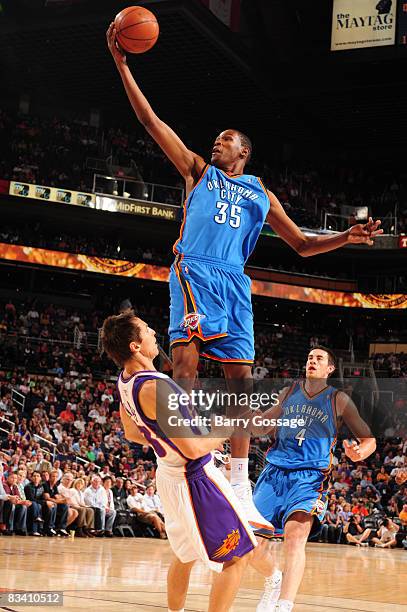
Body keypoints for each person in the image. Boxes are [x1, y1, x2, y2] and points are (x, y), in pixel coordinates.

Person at [106, 23, 383, 527]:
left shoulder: (260, 193)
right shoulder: (197, 172)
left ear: (244, 153)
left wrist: (345, 237)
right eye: (215, 139)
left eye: (225, 141)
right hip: (194, 271)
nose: (215, 143)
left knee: (240, 382)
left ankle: (236, 483)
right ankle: (186, 459)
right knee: (186, 368)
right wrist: (124, 65)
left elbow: (300, 244)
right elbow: (151, 122)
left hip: (234, 281)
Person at [101, 310, 258, 612]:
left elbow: (134, 432)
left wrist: (167, 437)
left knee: (184, 554)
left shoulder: (125, 380)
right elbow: (195, 449)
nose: (154, 334)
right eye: (146, 331)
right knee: (237, 557)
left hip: (170, 475)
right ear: (135, 346)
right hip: (193, 479)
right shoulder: (153, 387)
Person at [253, 346, 376, 612]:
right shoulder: (288, 392)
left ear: (330, 369)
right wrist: (251, 421)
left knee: (295, 538)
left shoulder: (338, 399)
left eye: (319, 358)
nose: (312, 360)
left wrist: (359, 452)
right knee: (252, 543)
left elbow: (369, 439)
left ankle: (283, 605)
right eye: (309, 357)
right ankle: (273, 578)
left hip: (310, 476)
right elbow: (263, 425)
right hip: (274, 472)